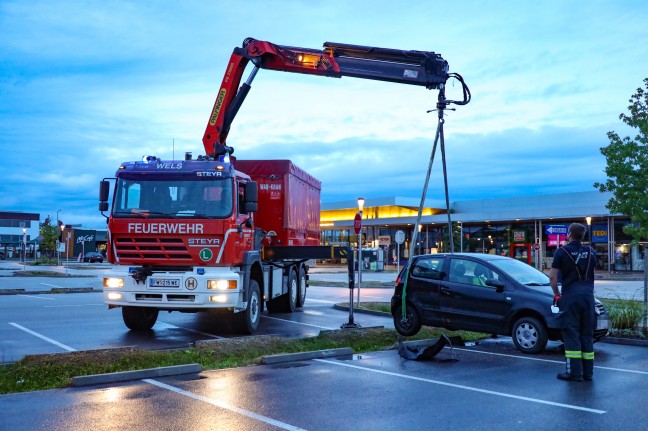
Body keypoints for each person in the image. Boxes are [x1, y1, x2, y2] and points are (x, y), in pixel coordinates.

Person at [549, 223, 596, 382]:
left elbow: (552, 276)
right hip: (588, 297)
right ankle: (588, 373)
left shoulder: (561, 252)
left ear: (569, 234)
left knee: (571, 334)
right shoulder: (591, 251)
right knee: (586, 334)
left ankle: (574, 373)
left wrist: (556, 294)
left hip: (570, 297)